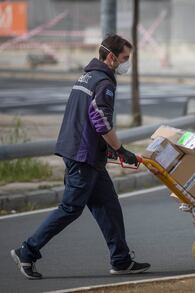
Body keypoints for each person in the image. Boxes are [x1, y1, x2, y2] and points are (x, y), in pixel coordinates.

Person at [10, 34, 150, 280]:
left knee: (108, 206)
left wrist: (106, 150)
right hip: (82, 156)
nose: (128, 63)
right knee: (70, 208)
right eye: (125, 58)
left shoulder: (86, 76)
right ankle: (27, 251)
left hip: (83, 153)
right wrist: (120, 149)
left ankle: (121, 259)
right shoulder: (104, 82)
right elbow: (100, 120)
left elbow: (84, 117)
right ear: (111, 57)